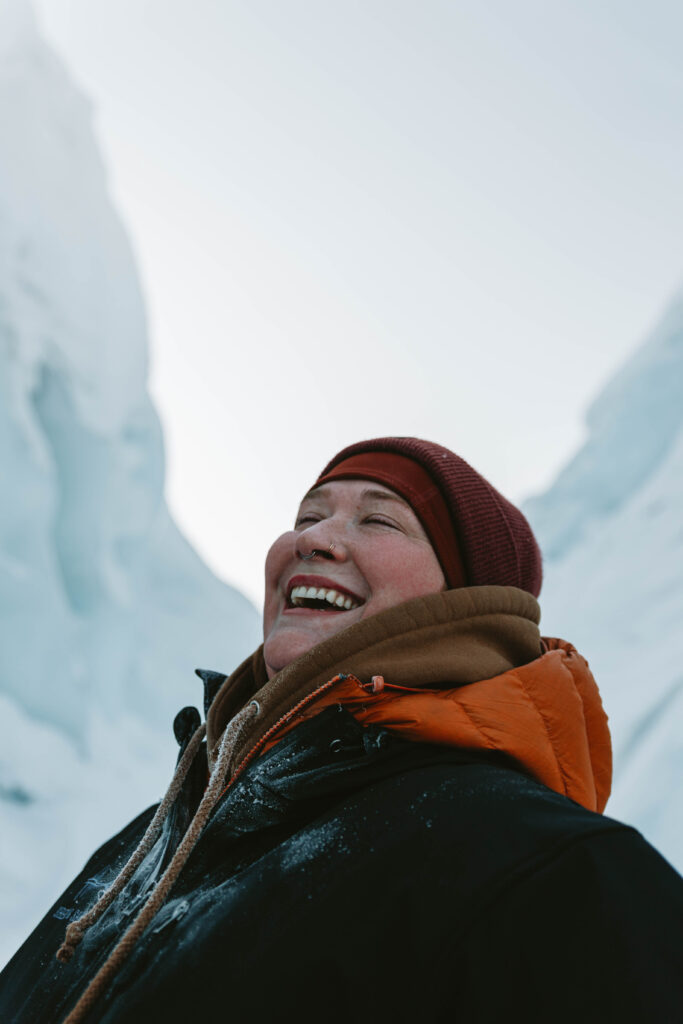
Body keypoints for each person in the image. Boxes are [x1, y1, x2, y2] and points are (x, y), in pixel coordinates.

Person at [1, 436, 682, 1023]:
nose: (314, 539)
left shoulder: (544, 868)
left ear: (467, 598)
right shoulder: (160, 841)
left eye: (378, 521)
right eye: (308, 515)